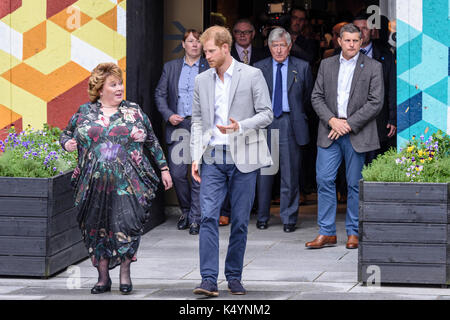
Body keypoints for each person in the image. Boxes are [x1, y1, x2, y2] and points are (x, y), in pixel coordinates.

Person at [60, 62, 173, 295]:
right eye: (113, 84)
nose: (120, 88)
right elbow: (66, 134)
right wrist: (67, 144)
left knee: (126, 225)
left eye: (120, 83)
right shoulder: (84, 112)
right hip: (91, 185)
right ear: (100, 89)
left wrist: (164, 169)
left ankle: (125, 274)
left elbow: (151, 141)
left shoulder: (134, 112)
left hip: (128, 183)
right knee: (95, 226)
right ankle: (102, 278)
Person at [191, 26, 273, 297]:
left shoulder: (252, 75)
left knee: (239, 220)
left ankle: (234, 276)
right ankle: (208, 280)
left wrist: (241, 126)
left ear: (226, 48)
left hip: (244, 157)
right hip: (212, 156)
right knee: (208, 218)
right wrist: (194, 156)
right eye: (206, 52)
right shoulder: (201, 80)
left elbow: (266, 114)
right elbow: (197, 121)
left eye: (211, 51)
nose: (208, 56)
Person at [306, 23, 384, 250]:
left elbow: (375, 102)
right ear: (339, 41)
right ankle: (327, 232)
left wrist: (348, 124)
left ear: (362, 42)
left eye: (355, 41)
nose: (351, 44)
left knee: (354, 184)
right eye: (347, 40)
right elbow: (316, 97)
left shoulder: (372, 67)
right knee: (324, 180)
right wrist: (332, 120)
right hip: (329, 130)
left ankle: (353, 232)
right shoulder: (326, 65)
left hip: (355, 132)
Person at [254, 27, 313, 232]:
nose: (278, 50)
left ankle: (289, 217)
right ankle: (262, 216)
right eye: (274, 45)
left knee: (290, 173)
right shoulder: (259, 68)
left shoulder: (302, 67)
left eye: (282, 45)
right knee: (264, 173)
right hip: (266, 122)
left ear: (289, 47)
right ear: (269, 47)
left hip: (290, 122)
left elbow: (307, 98)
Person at [155, 29, 209, 235]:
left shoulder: (208, 68)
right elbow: (159, 94)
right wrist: (168, 114)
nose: (195, 45)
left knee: (197, 173)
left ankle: (195, 218)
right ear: (183, 44)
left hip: (200, 127)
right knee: (177, 174)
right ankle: (185, 210)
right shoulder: (171, 67)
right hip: (177, 126)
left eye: (198, 41)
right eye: (190, 41)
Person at [353, 14, 397, 164]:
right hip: (350, 120)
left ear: (372, 30)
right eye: (356, 29)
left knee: (375, 161)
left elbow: (392, 88)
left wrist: (392, 117)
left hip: (378, 118)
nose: (360, 32)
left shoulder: (386, 56)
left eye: (364, 28)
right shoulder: (340, 56)